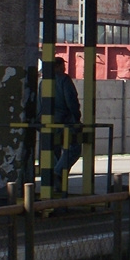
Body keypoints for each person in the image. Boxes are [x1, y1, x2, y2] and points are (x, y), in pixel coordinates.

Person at [50, 57, 81, 190]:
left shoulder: (43, 83)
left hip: (48, 122)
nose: (64, 68)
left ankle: (55, 184)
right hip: (65, 122)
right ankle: (58, 173)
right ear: (57, 66)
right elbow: (71, 100)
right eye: (62, 66)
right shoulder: (64, 79)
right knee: (74, 148)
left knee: (53, 151)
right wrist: (76, 118)